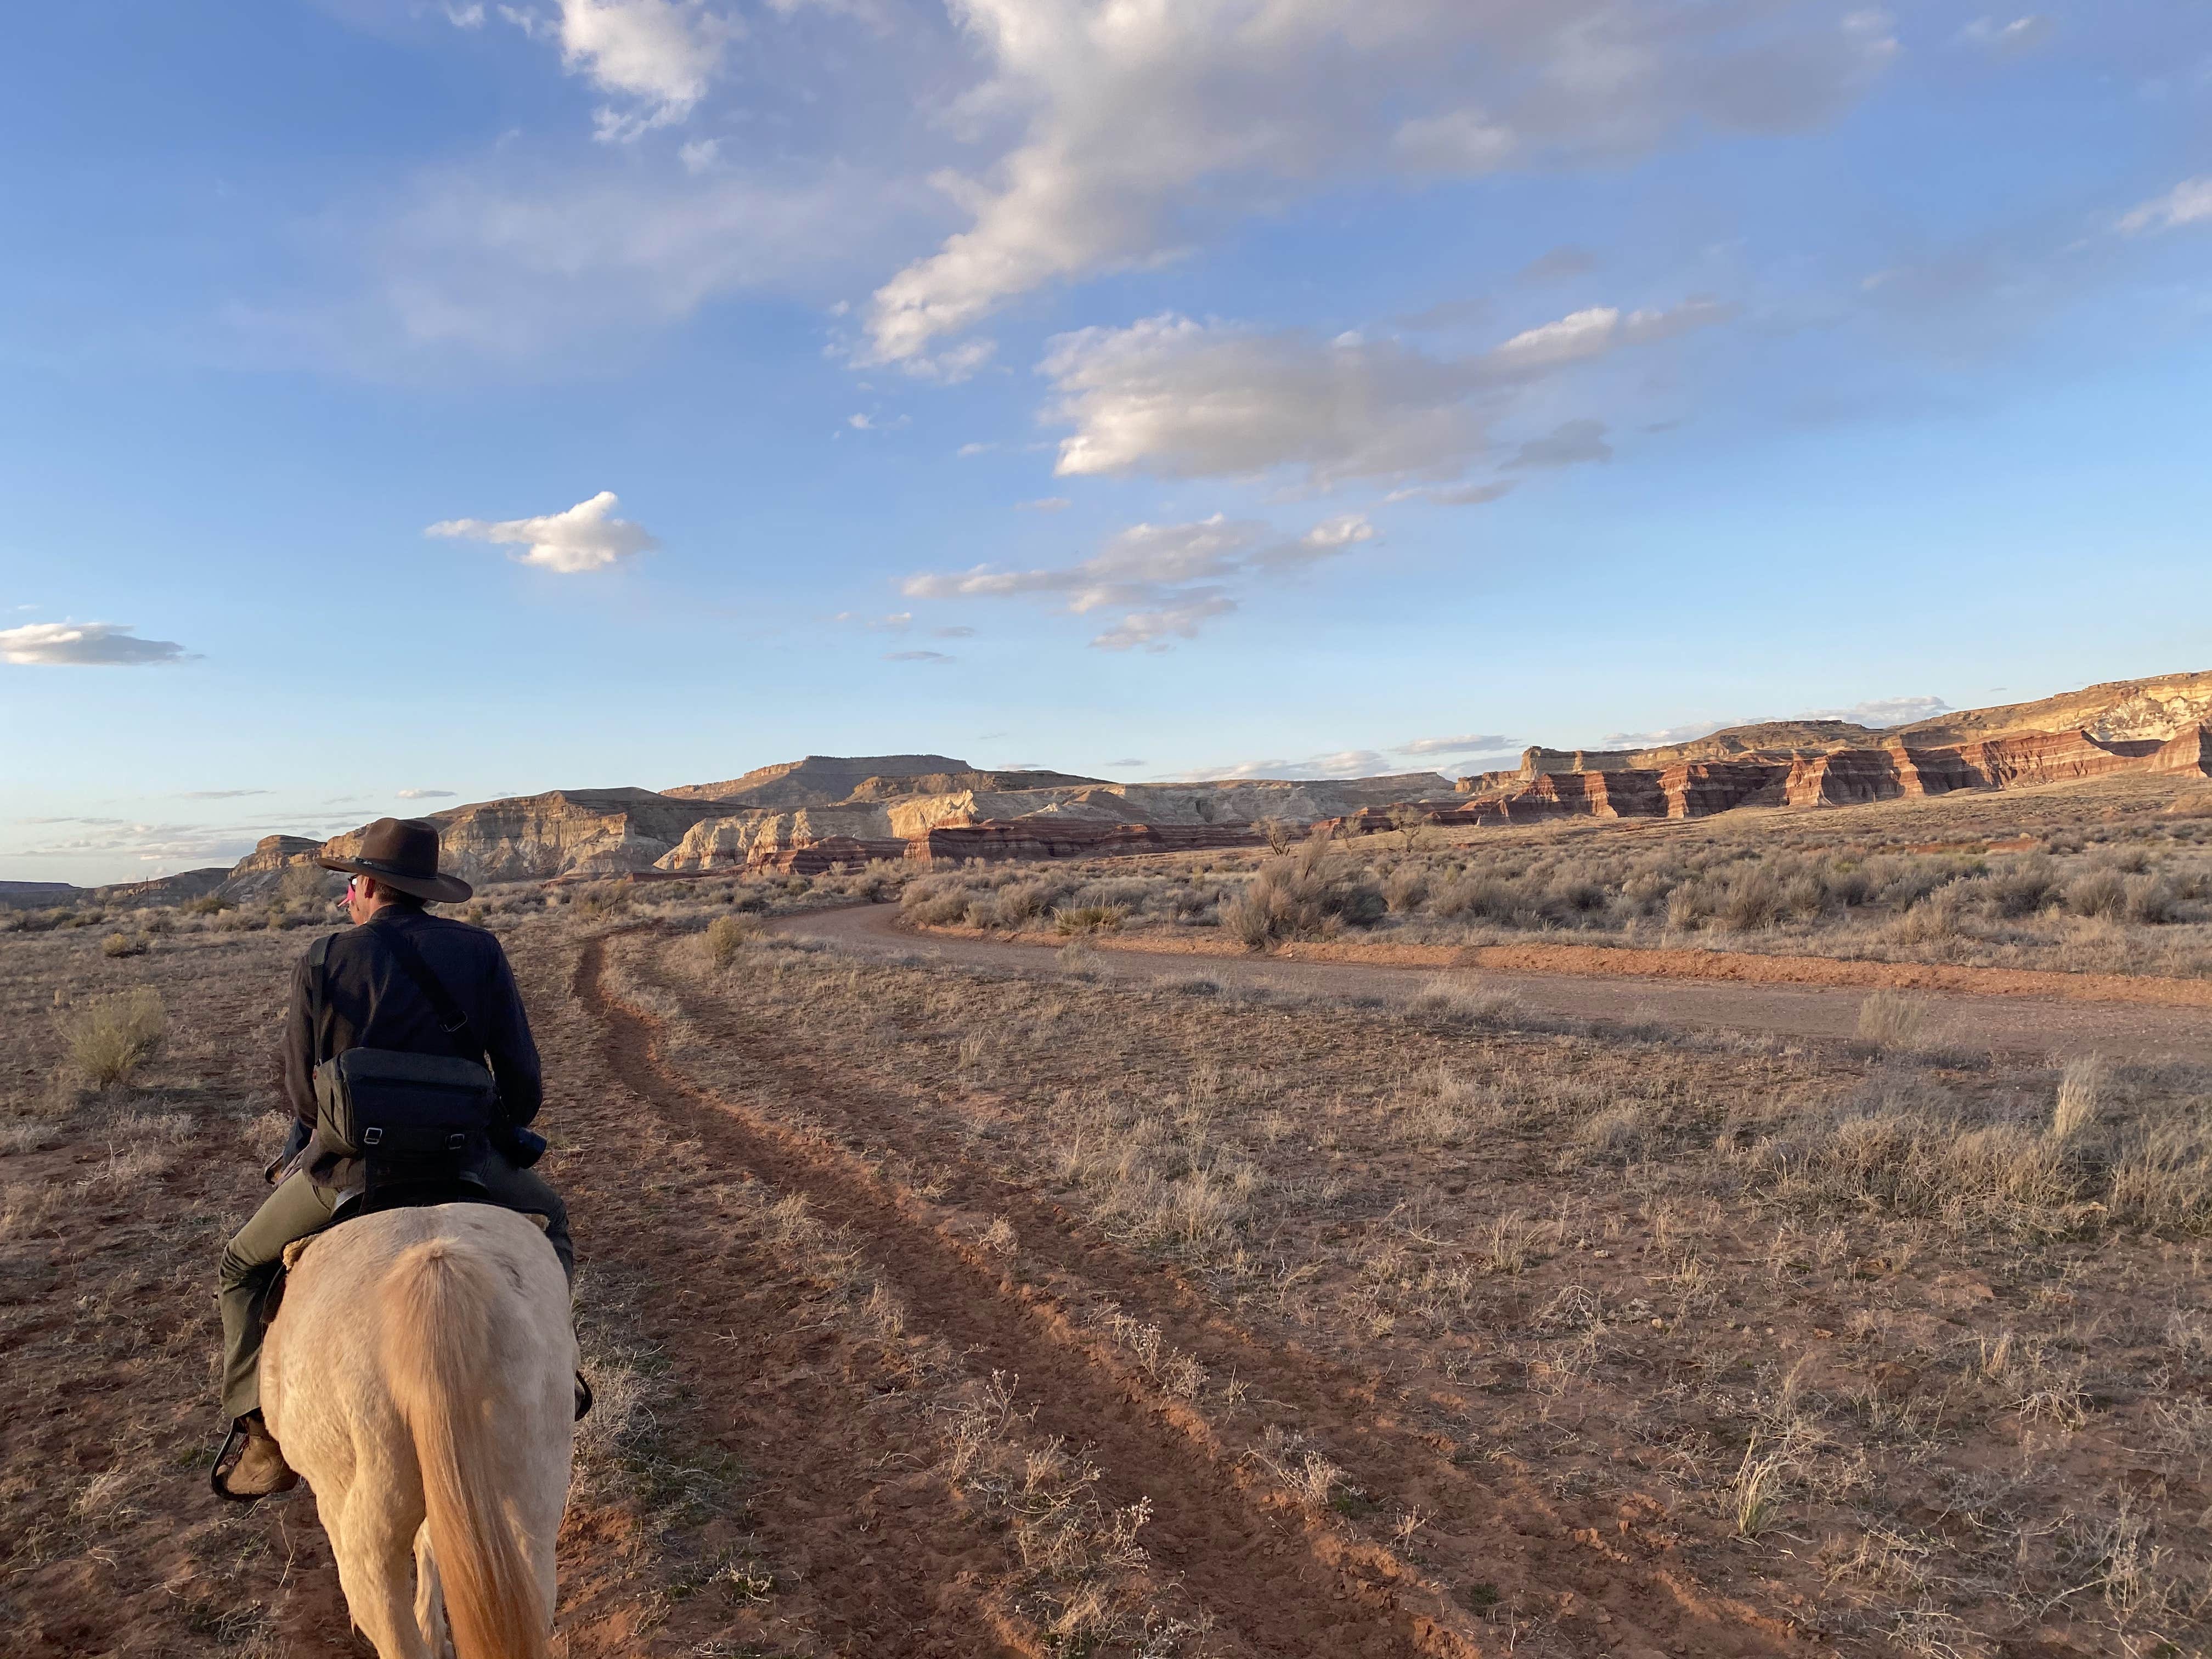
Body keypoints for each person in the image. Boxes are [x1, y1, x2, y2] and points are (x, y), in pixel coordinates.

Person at [211, 817, 574, 1502]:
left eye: (352, 883)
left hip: (352, 1169)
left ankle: (259, 1432)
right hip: (466, 1159)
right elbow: (522, 1082)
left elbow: (299, 1092)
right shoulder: (481, 952)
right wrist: (495, 1134)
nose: (348, 894)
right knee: (551, 1221)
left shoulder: (323, 958)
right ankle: (560, 1372)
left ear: (370, 885)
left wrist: (335, 1137)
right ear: (424, 890)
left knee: (239, 1264)